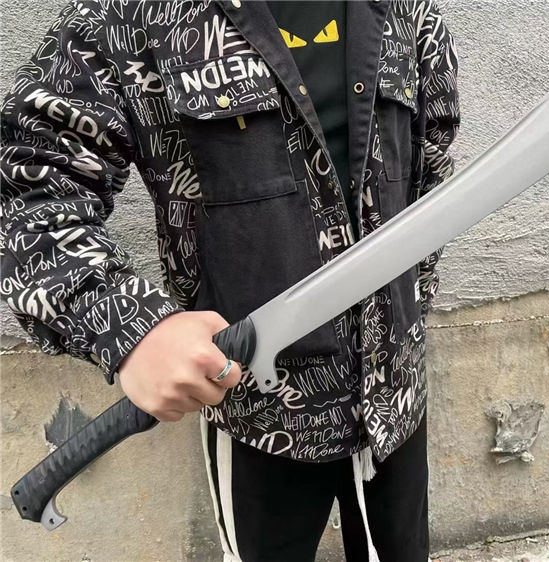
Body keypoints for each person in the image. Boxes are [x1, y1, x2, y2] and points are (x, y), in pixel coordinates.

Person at [0, 0, 460, 560]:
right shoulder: (138, 12)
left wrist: (412, 300)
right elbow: (26, 179)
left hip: (398, 394)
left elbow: (430, 163)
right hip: (259, 412)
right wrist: (130, 327)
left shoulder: (406, 8)